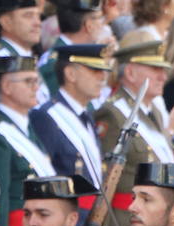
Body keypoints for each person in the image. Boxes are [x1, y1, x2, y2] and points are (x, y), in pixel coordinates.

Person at [93, 38, 174, 226]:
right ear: (130, 72)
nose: (163, 76)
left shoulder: (154, 110)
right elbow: (107, 179)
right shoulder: (113, 114)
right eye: (154, 69)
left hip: (157, 223)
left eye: (163, 70)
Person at [0, 55, 57, 226]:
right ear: (6, 86)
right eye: (28, 81)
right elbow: (1, 201)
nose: (36, 88)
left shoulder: (29, 130)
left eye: (37, 81)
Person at [29, 43, 112, 187]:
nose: (103, 76)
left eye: (104, 71)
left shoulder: (85, 115)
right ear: (70, 74)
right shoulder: (46, 117)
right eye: (95, 70)